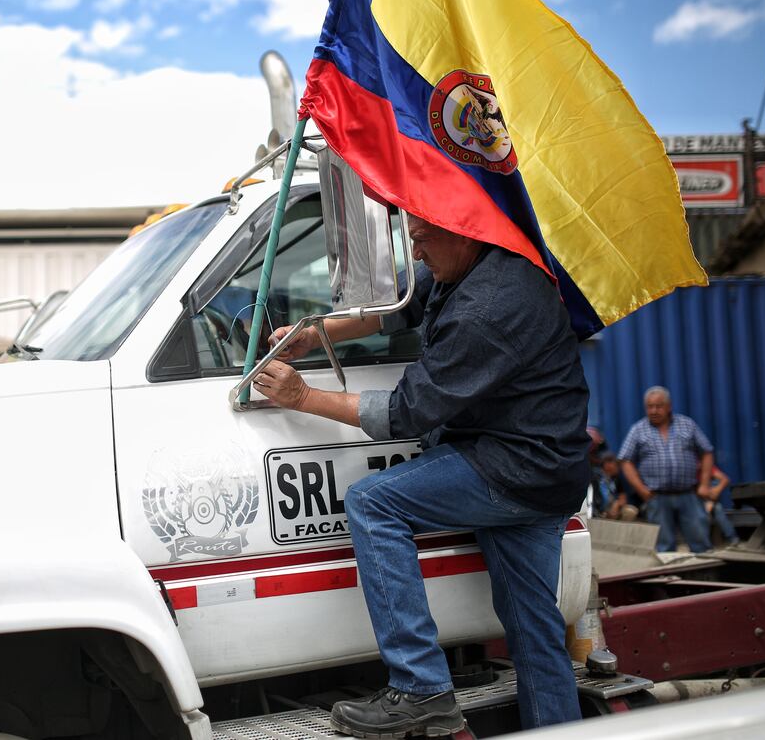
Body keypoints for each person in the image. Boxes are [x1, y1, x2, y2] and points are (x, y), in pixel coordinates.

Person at [253, 215, 590, 735]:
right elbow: (401, 307)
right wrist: (315, 335)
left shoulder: (490, 307)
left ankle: (419, 687)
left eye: (421, 239)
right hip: (545, 468)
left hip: (514, 466)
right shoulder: (474, 260)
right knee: (533, 631)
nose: (415, 251)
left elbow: (407, 412)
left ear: (461, 229)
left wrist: (303, 398)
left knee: (374, 503)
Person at [616, 387, 714, 553]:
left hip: (688, 495)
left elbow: (706, 452)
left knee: (700, 543)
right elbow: (625, 460)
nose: (653, 411)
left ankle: (705, 575)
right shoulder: (638, 430)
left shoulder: (687, 424)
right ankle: (668, 577)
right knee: (664, 547)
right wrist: (641, 489)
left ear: (669, 406)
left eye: (658, 406)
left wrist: (704, 484)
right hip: (657, 498)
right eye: (649, 406)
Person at [702, 464, 739, 547]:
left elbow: (724, 479)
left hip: (705, 496)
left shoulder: (703, 465)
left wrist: (710, 500)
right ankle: (733, 538)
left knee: (716, 510)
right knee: (714, 511)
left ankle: (732, 539)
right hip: (698, 497)